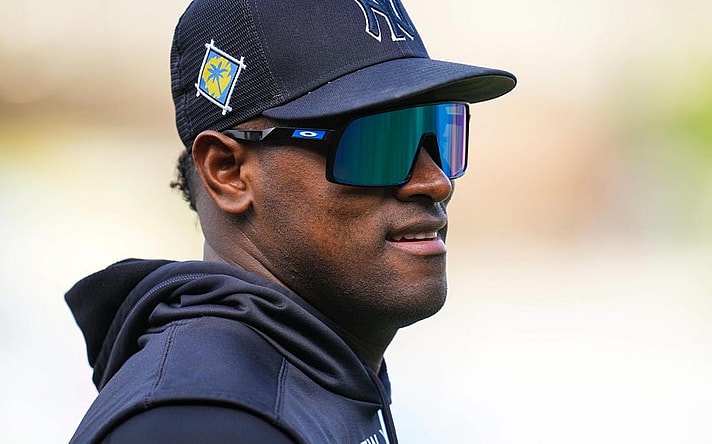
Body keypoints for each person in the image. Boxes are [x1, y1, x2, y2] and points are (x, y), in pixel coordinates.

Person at [65, 0, 515, 442]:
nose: (435, 182)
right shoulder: (204, 423)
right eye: (376, 143)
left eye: (440, 132)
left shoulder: (315, 378)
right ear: (229, 172)